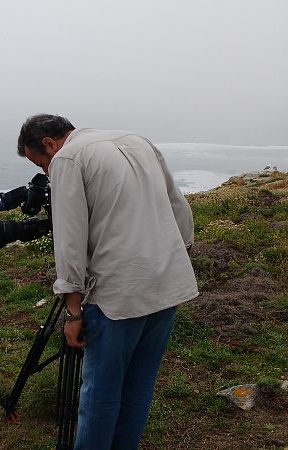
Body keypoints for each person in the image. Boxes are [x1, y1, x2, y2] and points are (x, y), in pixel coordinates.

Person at [17, 114, 198, 449]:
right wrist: (179, 253)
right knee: (139, 385)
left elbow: (70, 242)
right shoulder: (136, 140)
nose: (46, 172)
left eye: (41, 163)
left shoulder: (69, 158)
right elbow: (178, 205)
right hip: (167, 282)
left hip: (118, 292)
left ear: (49, 144)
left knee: (100, 392)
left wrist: (73, 311)